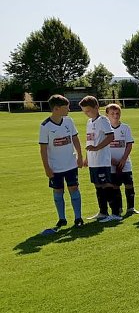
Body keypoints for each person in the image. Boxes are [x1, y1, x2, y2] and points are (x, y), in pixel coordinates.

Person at [39, 94, 84, 229]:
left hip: (70, 164)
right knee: (58, 191)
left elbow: (75, 139)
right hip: (55, 167)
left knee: (74, 188)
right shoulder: (45, 126)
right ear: (57, 109)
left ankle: (78, 218)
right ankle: (62, 218)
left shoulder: (69, 121)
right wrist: (47, 167)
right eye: (66, 107)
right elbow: (43, 149)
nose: (69, 109)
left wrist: (80, 156)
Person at [80, 95, 119, 222]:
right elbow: (89, 140)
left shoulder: (103, 120)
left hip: (102, 159)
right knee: (97, 185)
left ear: (96, 107)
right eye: (84, 111)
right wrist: (87, 158)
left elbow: (111, 137)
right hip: (93, 161)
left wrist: (97, 148)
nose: (86, 114)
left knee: (106, 184)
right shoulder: (89, 122)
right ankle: (103, 212)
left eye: (88, 111)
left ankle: (115, 213)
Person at [105, 103, 138, 216]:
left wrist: (124, 159)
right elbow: (103, 147)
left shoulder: (125, 127)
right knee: (115, 186)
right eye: (112, 113)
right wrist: (110, 160)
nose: (115, 115)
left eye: (117, 113)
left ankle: (131, 208)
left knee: (129, 184)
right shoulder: (105, 129)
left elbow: (129, 144)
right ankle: (118, 209)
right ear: (107, 115)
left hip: (125, 163)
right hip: (111, 164)